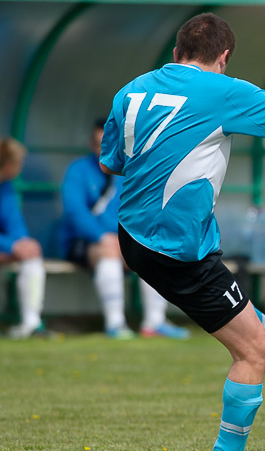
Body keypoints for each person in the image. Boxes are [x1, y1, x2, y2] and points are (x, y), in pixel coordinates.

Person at [98, 13, 265, 451]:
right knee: (251, 350)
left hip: (132, 236)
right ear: (224, 57)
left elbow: (110, 162)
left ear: (176, 52)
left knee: (235, 306)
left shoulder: (130, 91)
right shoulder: (224, 90)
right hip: (177, 246)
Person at [59, 120, 189, 340]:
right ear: (91, 143)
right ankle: (115, 324)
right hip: (83, 241)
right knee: (109, 250)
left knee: (151, 252)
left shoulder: (130, 169)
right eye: (97, 143)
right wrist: (100, 236)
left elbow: (144, 209)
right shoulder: (78, 170)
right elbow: (75, 212)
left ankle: (154, 322)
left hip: (123, 239)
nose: (102, 148)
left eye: (107, 142)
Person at [0, 138, 47, 340]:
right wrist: (12, 246)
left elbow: (14, 223)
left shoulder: (6, 187)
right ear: (8, 164)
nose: (20, 167)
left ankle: (31, 324)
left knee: (31, 256)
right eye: (19, 162)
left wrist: (22, 244)